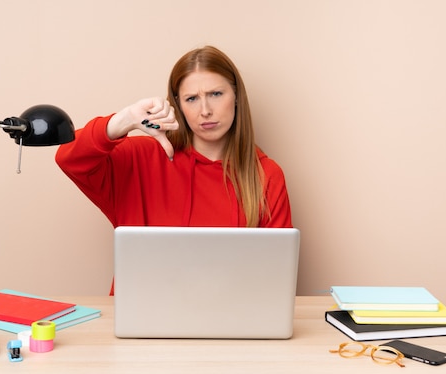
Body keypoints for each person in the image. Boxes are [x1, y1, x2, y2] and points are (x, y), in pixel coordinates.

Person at [56, 46, 293, 293]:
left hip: (228, 321)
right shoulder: (140, 160)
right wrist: (125, 119)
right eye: (192, 98)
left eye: (215, 94)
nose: (205, 110)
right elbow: (68, 157)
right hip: (141, 320)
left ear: (236, 97)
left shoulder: (266, 175)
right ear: (178, 105)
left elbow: (275, 278)